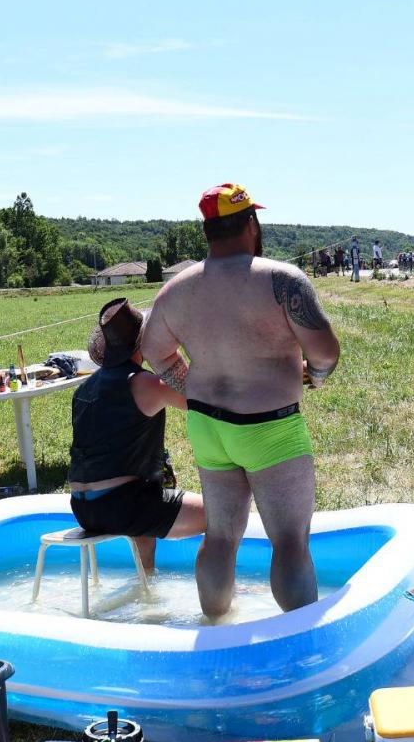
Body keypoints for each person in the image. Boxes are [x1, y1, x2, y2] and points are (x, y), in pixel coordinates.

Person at [141, 183, 342, 617]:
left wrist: (188, 383)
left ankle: (213, 629)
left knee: (220, 537)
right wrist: (316, 377)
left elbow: (155, 351)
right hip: (270, 426)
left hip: (208, 425)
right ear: (251, 222)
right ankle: (300, 639)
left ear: (208, 231)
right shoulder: (281, 279)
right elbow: (325, 352)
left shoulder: (176, 290)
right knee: (289, 540)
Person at [68, 298, 205, 574]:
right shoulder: (144, 384)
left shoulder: (84, 389)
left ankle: (148, 582)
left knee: (144, 500)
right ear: (144, 342)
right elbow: (201, 398)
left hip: (82, 507)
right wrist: (170, 357)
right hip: (122, 507)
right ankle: (221, 584)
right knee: (223, 514)